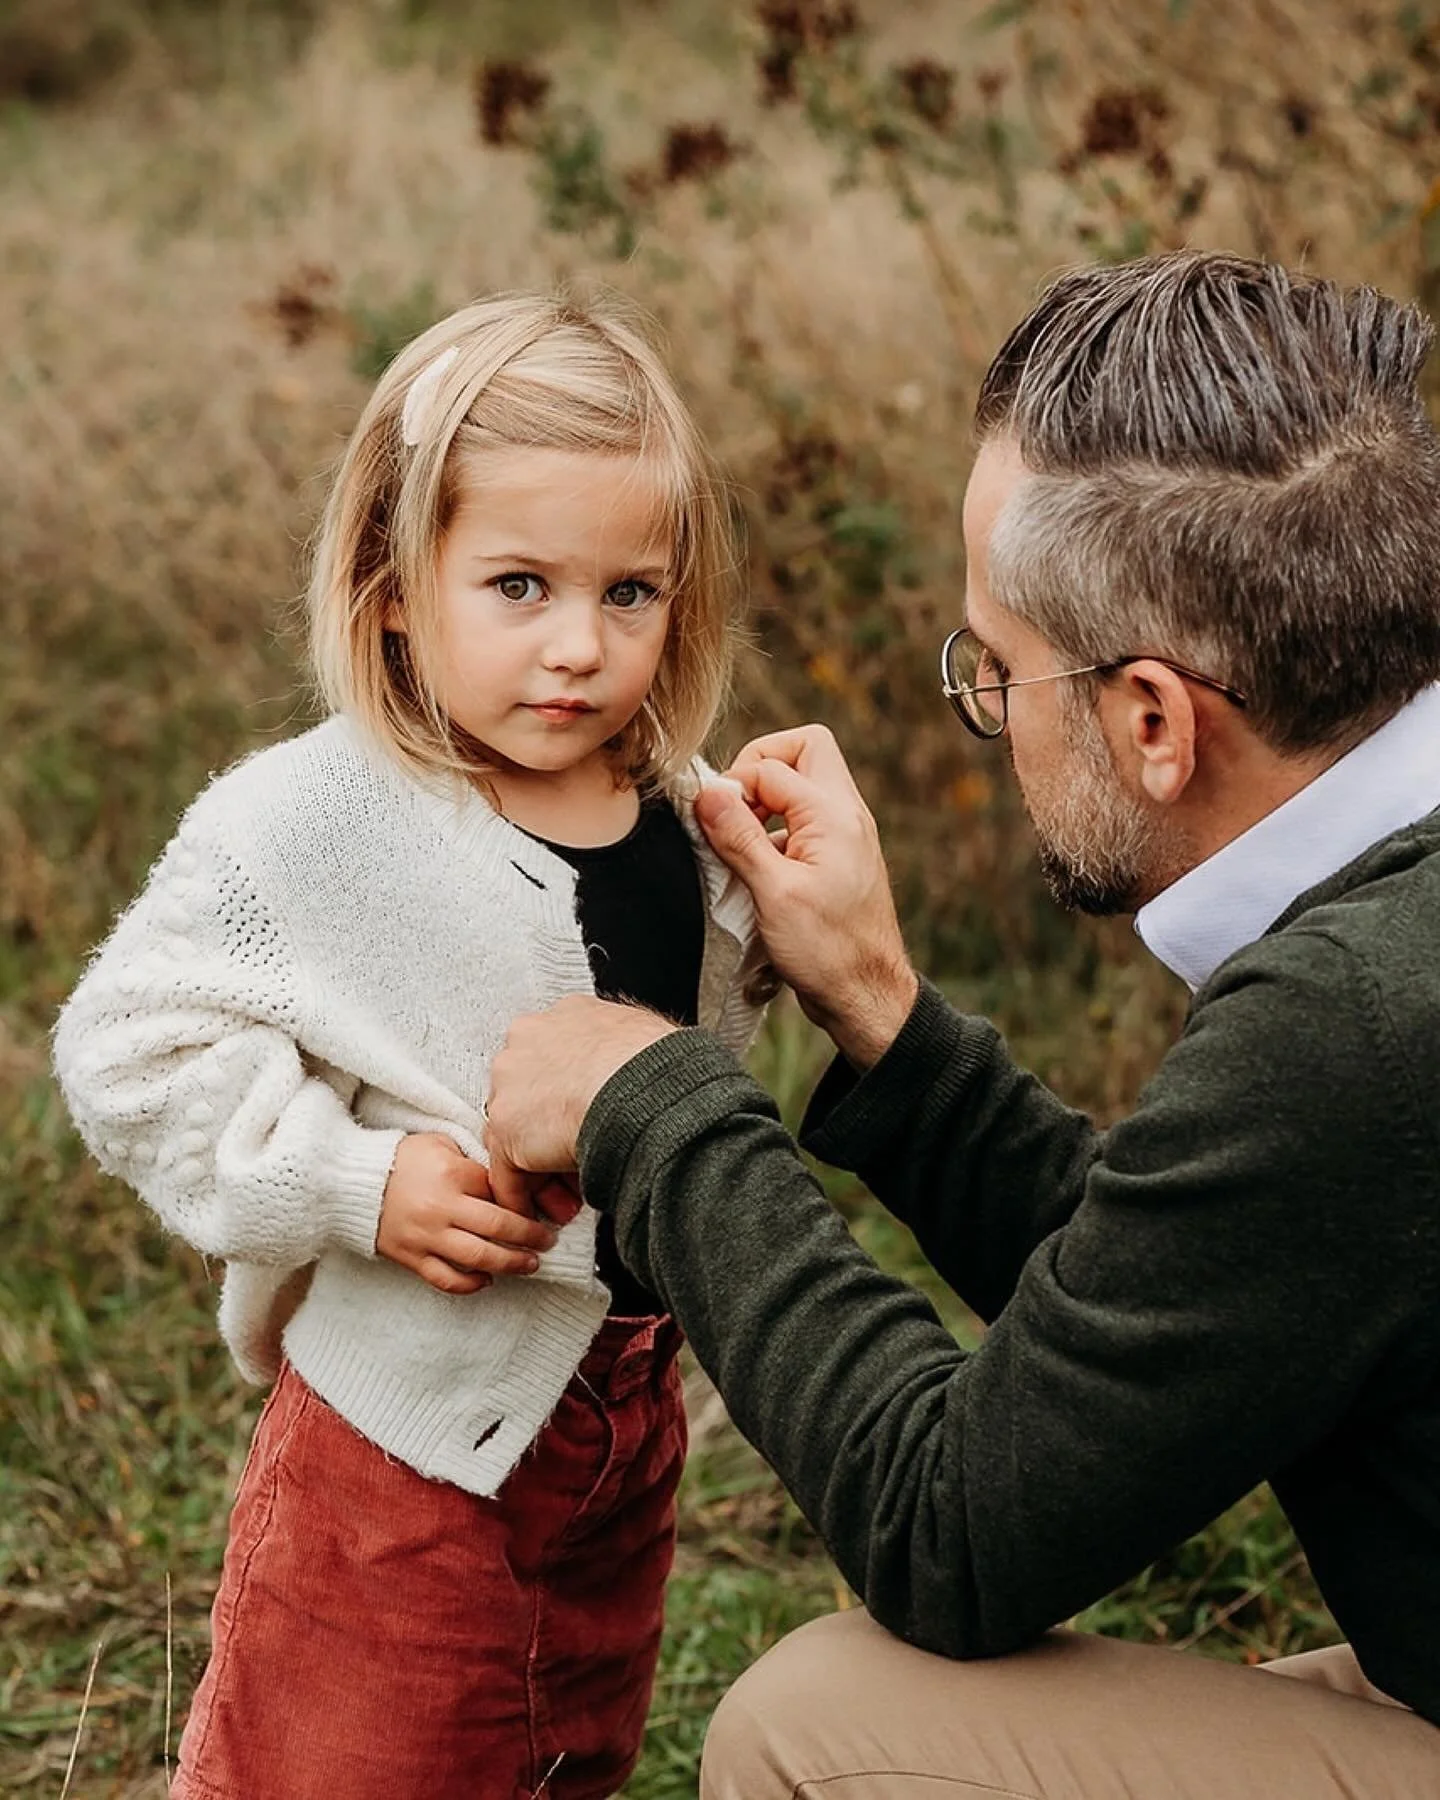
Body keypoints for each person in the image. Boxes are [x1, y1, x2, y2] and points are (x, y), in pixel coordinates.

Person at [483, 253, 1440, 1798]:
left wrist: (660, 1116)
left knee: (820, 1733)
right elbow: (1203, 1287)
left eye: (993, 669)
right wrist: (887, 1017)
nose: (986, 706)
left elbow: (953, 1527)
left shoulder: (1354, 1023)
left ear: (1151, 721)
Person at [52, 290, 770, 1799]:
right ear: (392, 582)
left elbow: (711, 1036)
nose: (580, 647)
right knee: (340, 1760)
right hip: (399, 1455)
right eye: (519, 585)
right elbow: (124, 1046)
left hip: (620, 1432)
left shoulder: (679, 817)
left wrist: (781, 906)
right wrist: (355, 1181)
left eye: (629, 593)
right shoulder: (316, 819)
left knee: (561, 1754)